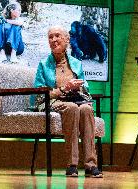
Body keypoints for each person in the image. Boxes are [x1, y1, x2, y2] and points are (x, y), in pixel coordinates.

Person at [33, 26, 103, 178]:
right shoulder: (44, 64)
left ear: (67, 40)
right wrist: (64, 89)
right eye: (50, 37)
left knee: (86, 109)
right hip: (52, 101)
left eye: (57, 36)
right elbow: (39, 94)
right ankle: (72, 165)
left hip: (75, 99)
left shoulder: (76, 63)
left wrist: (78, 87)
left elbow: (86, 87)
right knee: (72, 108)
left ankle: (91, 165)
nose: (53, 40)